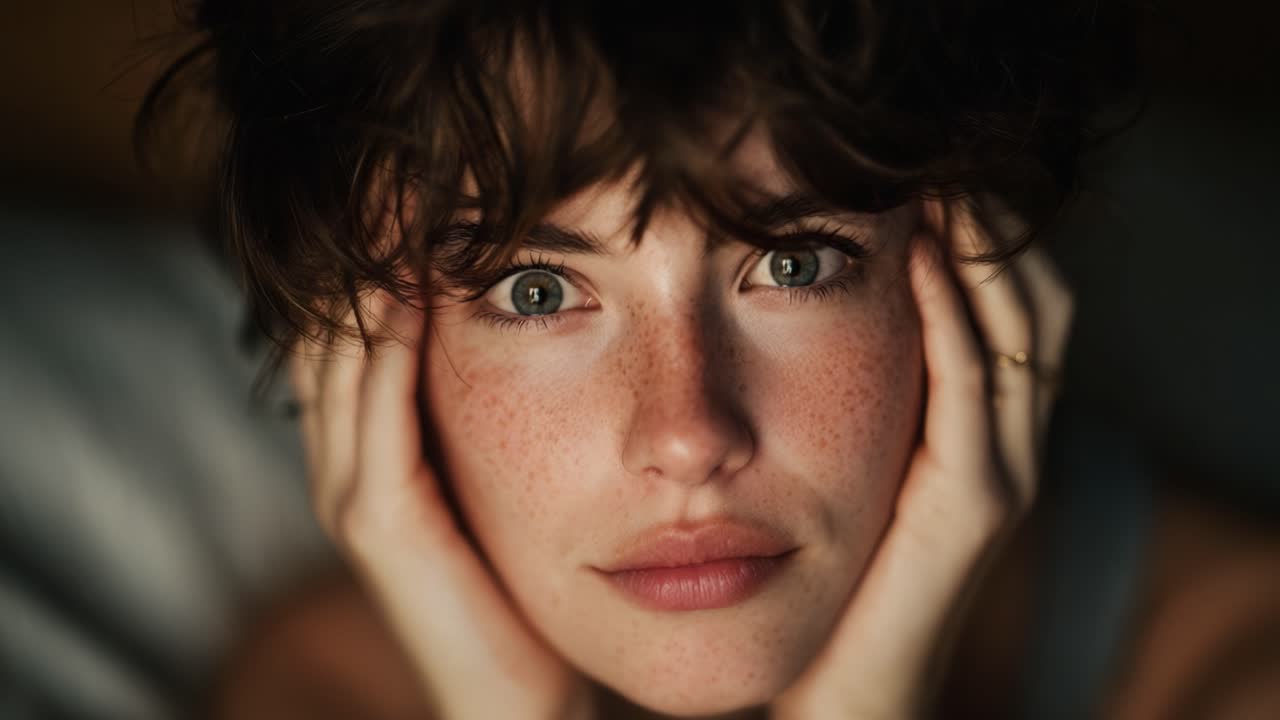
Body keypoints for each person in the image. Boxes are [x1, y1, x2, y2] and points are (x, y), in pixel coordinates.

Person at [140, 1, 1141, 717]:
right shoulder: (327, 687)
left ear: (975, 270)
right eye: (533, 291)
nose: (686, 435)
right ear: (348, 341)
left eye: (793, 263)